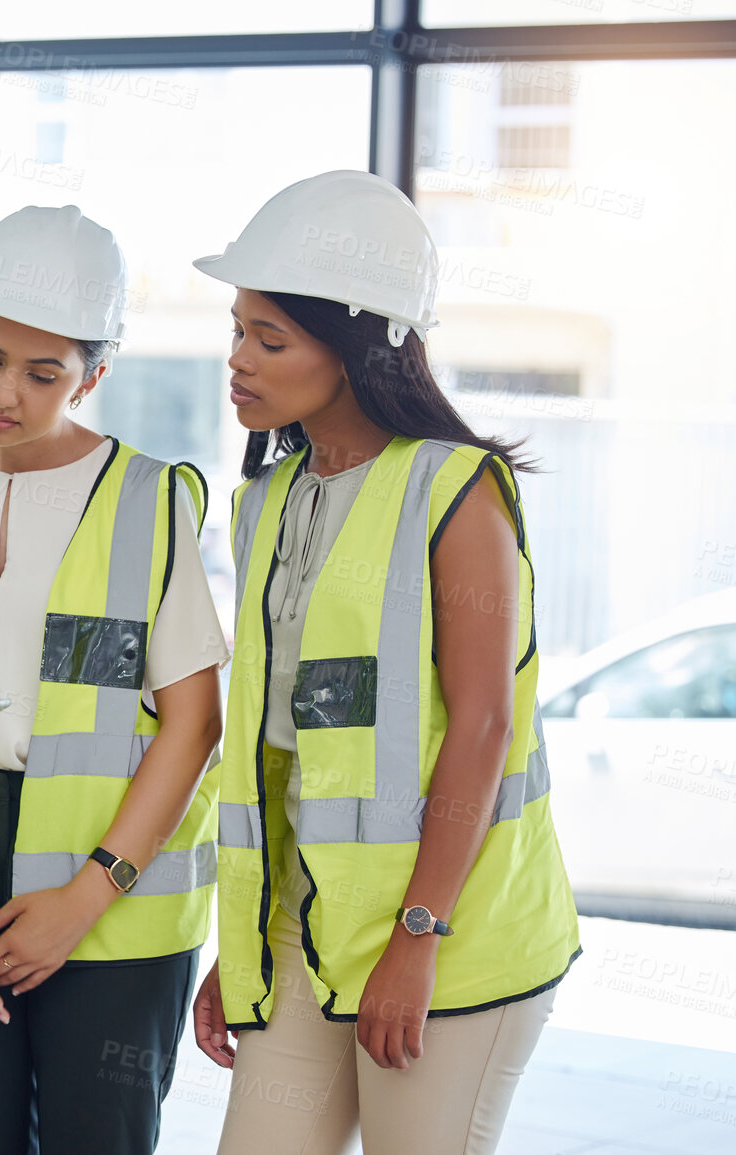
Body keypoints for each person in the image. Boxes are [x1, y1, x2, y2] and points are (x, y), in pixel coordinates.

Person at [188, 170, 581, 1155]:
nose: (238, 360)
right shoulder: (267, 500)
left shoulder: (456, 490)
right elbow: (280, 753)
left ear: (362, 348)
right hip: (308, 934)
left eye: (269, 339)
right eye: (236, 330)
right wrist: (243, 948)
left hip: (453, 932)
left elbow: (486, 725)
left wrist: (418, 937)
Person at [0, 205, 227, 1154]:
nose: (4, 393)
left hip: (110, 904)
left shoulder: (151, 499)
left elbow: (193, 726)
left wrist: (85, 898)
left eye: (43, 373)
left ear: (93, 375)